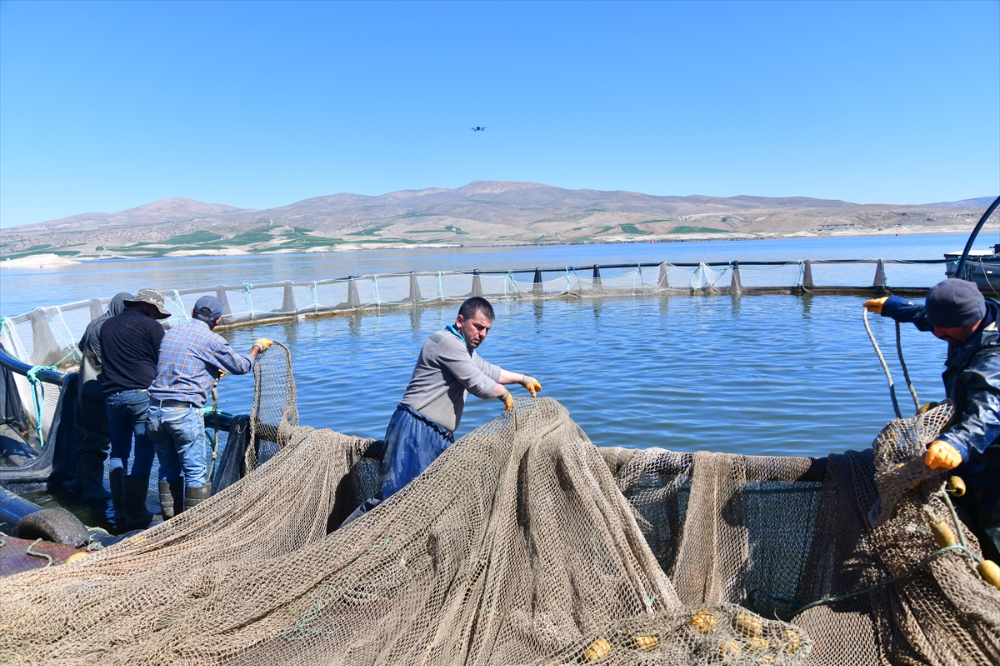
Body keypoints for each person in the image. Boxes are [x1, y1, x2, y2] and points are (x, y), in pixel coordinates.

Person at [344, 297, 542, 524]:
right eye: (478, 327)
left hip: (439, 436)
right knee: (391, 500)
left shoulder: (464, 349)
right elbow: (478, 383)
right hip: (415, 429)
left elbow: (490, 372)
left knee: (429, 502)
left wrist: (523, 379)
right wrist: (505, 395)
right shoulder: (447, 342)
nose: (483, 334)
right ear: (460, 320)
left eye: (487, 330)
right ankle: (336, 547)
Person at [865, 278, 1000, 561]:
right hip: (971, 442)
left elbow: (989, 414)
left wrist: (956, 443)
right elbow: (930, 318)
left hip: (991, 450)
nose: (937, 332)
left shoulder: (992, 361)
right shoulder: (971, 319)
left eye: (945, 330)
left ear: (972, 321)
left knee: (993, 523)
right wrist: (895, 307)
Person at [147, 295, 273, 518]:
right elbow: (241, 366)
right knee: (195, 472)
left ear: (192, 313)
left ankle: (170, 520)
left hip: (155, 410)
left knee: (167, 469)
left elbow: (181, 364)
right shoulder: (212, 340)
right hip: (182, 412)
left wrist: (212, 371)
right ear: (218, 321)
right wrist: (256, 347)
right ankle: (194, 529)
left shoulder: (172, 333)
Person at [99, 289, 171, 528]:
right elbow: (164, 360)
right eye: (155, 311)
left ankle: (120, 511)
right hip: (140, 395)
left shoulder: (106, 326)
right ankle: (137, 511)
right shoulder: (151, 328)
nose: (156, 316)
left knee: (118, 453)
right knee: (143, 453)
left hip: (111, 397)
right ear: (146, 305)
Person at [66, 292, 132, 501]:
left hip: (85, 386)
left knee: (88, 435)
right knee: (96, 438)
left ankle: (79, 482)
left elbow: (81, 346)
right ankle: (93, 489)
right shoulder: (109, 326)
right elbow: (110, 360)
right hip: (98, 390)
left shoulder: (94, 323)